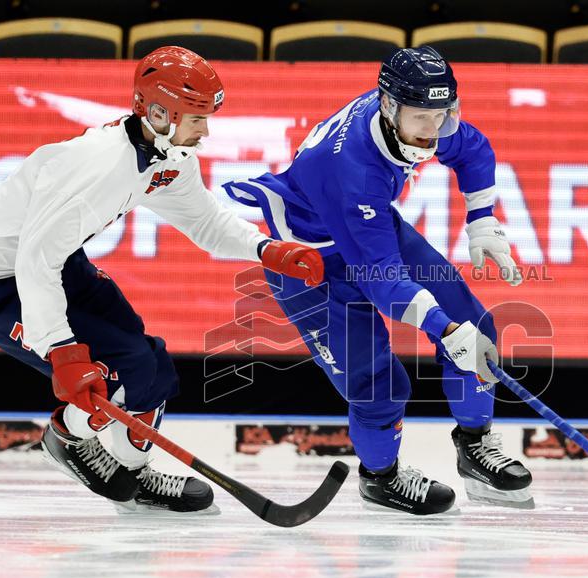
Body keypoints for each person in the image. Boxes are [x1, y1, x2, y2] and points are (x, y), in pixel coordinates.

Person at [0, 46, 324, 514]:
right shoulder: (96, 166)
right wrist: (62, 350)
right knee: (107, 374)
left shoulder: (170, 154)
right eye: (196, 118)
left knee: (151, 366)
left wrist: (266, 249)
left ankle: (134, 476)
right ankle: (68, 436)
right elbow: (36, 261)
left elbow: (205, 223)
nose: (206, 129)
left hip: (58, 264)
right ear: (159, 112)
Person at [224, 46, 532, 515]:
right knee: (378, 384)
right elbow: (385, 284)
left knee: (477, 324)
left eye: (442, 115)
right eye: (422, 120)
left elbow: (472, 149)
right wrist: (445, 332)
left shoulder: (416, 115)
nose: (432, 133)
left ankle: (475, 446)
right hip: (311, 262)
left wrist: (482, 221)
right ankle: (381, 478)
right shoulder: (353, 169)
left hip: (368, 232)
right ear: (388, 106)